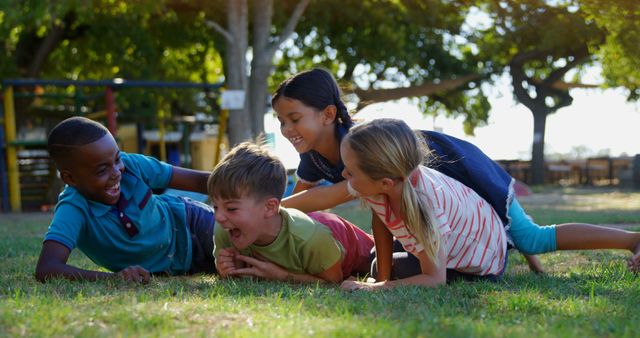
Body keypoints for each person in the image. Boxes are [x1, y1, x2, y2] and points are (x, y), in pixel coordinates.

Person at [272, 68, 545, 272]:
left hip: (452, 164)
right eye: (281, 121)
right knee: (404, 253)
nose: (286, 129)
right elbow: (300, 204)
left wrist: (268, 209)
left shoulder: (360, 145)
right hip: (423, 198)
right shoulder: (312, 155)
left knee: (524, 234)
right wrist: (273, 213)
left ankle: (519, 246)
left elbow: (328, 197)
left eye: (294, 119)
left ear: (328, 114)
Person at [338, 119, 640, 290]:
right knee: (381, 260)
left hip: (487, 244)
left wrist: (375, 288)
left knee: (532, 238)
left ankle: (632, 239)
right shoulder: (388, 182)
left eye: (350, 171)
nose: (342, 175)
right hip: (475, 221)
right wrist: (382, 277)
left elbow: (434, 278)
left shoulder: (425, 205)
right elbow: (380, 221)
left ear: (386, 182)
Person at [35, 117, 216, 283]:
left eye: (117, 159)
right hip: (179, 267)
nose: (116, 172)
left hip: (191, 222)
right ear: (70, 179)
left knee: (242, 254)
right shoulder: (74, 207)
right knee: (233, 269)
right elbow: (47, 268)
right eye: (101, 170)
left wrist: (240, 184)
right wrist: (114, 278)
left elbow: (200, 181)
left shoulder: (133, 166)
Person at [208, 141, 374, 283]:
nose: (219, 216)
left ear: (269, 207)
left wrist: (282, 275)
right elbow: (230, 274)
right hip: (302, 226)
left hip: (340, 236)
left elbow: (333, 282)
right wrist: (227, 269)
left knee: (381, 264)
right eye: (216, 206)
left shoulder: (311, 239)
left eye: (231, 209)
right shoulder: (226, 229)